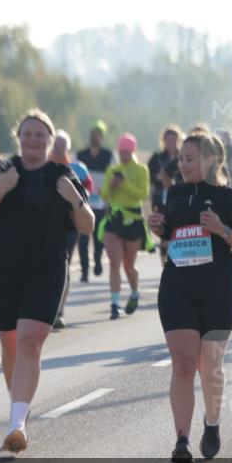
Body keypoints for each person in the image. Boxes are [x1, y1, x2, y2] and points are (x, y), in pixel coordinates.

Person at [0, 110, 94, 452]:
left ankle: (17, 425)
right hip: (4, 270)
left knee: (29, 343)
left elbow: (87, 226)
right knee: (11, 346)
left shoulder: (62, 175)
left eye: (41, 134)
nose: (34, 140)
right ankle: (19, 408)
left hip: (47, 270)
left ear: (50, 141)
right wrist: (0, 191)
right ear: (18, 137)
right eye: (28, 133)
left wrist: (75, 199)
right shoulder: (2, 171)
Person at [147, 133, 232, 463]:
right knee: (183, 365)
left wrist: (222, 229)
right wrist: (159, 227)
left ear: (210, 161)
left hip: (218, 291)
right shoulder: (175, 194)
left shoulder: (227, 197)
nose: (182, 164)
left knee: (210, 369)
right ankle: (182, 439)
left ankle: (212, 422)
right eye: (181, 158)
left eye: (190, 159)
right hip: (177, 286)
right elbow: (171, 231)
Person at [99, 133, 151, 319]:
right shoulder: (112, 169)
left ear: (132, 151)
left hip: (133, 220)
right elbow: (104, 195)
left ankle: (135, 292)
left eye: (127, 152)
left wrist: (124, 184)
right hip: (114, 219)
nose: (123, 155)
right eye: (121, 151)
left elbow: (142, 195)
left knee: (129, 267)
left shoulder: (141, 170)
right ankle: (115, 303)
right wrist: (112, 186)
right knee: (114, 262)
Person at [50, 130, 94, 329]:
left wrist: (74, 196)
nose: (58, 148)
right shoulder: (41, 169)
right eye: (56, 144)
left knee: (63, 265)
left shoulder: (75, 171)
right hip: (47, 228)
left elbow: (87, 193)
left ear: (68, 149)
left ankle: (59, 311)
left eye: (62, 145)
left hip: (69, 227)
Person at [76, 120, 114, 278]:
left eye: (98, 134)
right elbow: (74, 175)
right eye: (93, 134)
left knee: (99, 236)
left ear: (102, 137)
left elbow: (113, 175)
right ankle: (84, 270)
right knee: (83, 238)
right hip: (83, 202)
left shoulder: (108, 155)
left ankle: (97, 260)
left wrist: (107, 192)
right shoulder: (80, 155)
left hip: (101, 202)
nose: (95, 137)